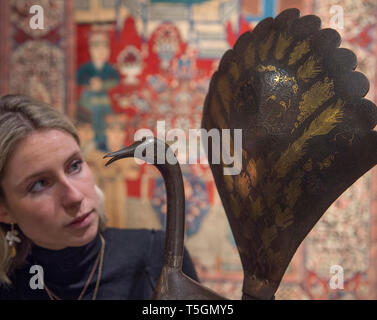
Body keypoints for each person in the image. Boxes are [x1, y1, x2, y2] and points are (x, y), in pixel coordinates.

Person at [0, 94, 198, 300]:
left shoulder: (159, 256)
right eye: (39, 184)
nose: (75, 196)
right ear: (3, 209)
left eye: (75, 166)